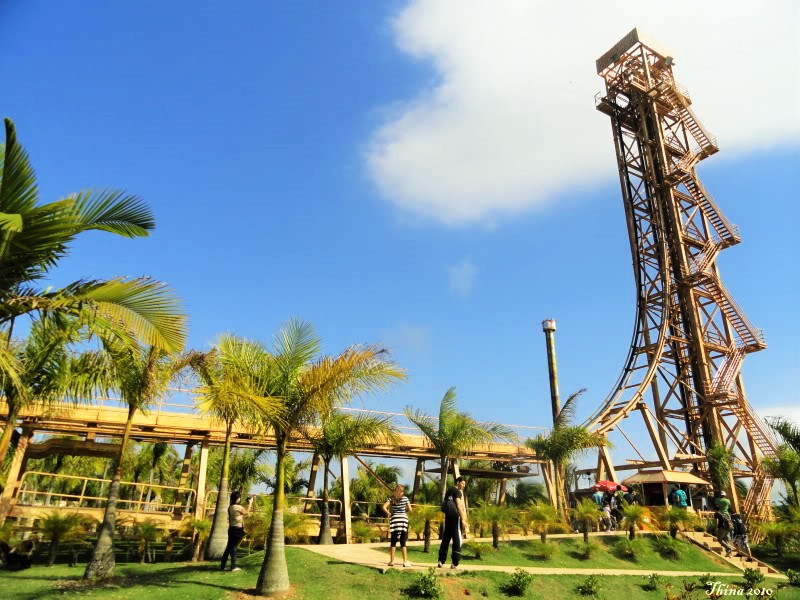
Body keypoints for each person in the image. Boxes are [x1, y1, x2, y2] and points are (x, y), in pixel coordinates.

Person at [438, 476, 469, 569]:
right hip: (455, 519)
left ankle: (441, 561)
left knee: (446, 539)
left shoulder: (449, 490)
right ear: (458, 482)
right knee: (457, 540)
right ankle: (454, 563)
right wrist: (463, 520)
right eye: (462, 483)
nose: (463, 486)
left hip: (448, 518)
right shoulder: (458, 492)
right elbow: (459, 505)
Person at [383, 484, 413, 567]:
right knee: (403, 542)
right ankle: (405, 562)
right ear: (402, 492)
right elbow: (410, 510)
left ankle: (392, 561)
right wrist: (404, 510)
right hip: (403, 520)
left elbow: (384, 507)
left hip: (395, 520)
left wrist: (389, 513)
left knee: (393, 541)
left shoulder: (391, 498)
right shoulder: (405, 498)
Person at [220, 491, 248, 572]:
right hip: (237, 530)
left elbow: (241, 513)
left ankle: (223, 566)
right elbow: (246, 513)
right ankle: (233, 567)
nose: (240, 499)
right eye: (239, 497)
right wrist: (250, 503)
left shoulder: (230, 507)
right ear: (237, 498)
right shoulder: (238, 507)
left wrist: (246, 504)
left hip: (232, 529)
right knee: (233, 548)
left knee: (229, 548)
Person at [713, 493, 734, 557]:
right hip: (728, 524)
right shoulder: (727, 501)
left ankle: (728, 548)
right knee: (725, 539)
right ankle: (729, 553)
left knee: (719, 539)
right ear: (725, 495)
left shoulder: (717, 502)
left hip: (722, 526)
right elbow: (730, 505)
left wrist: (716, 528)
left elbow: (716, 521)